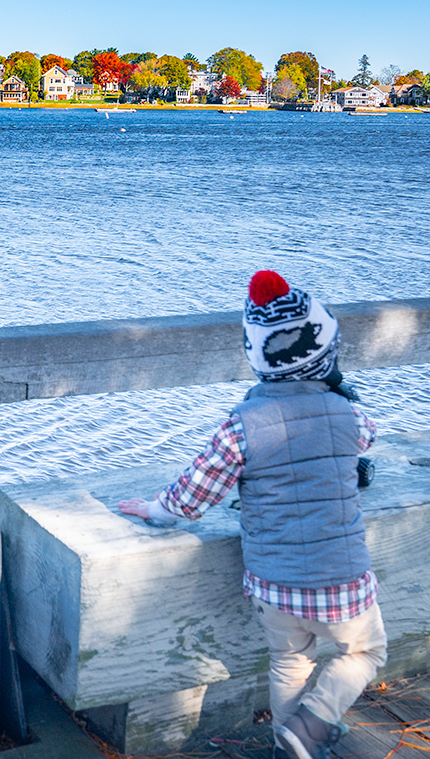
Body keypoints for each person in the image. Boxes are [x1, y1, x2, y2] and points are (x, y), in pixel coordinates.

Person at [118, 270, 387, 759]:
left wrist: (155, 509)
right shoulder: (351, 417)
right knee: (366, 651)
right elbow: (367, 438)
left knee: (289, 661)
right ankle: (313, 724)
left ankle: (293, 743)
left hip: (272, 582)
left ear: (257, 361)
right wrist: (338, 393)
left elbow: (193, 495)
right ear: (327, 354)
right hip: (340, 575)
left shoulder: (240, 427)